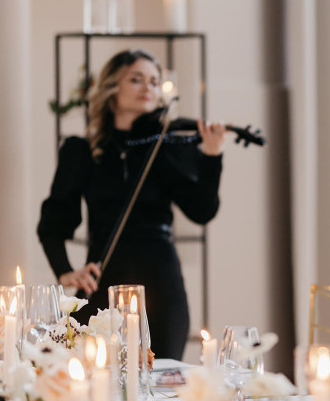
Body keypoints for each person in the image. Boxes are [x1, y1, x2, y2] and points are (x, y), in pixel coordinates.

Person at [37, 49, 227, 360]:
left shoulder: (165, 145)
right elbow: (53, 222)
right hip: (103, 281)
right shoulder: (81, 150)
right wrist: (64, 271)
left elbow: (202, 210)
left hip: (162, 285)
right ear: (112, 87)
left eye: (154, 81)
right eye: (136, 79)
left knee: (160, 379)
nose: (148, 88)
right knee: (90, 373)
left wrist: (212, 157)